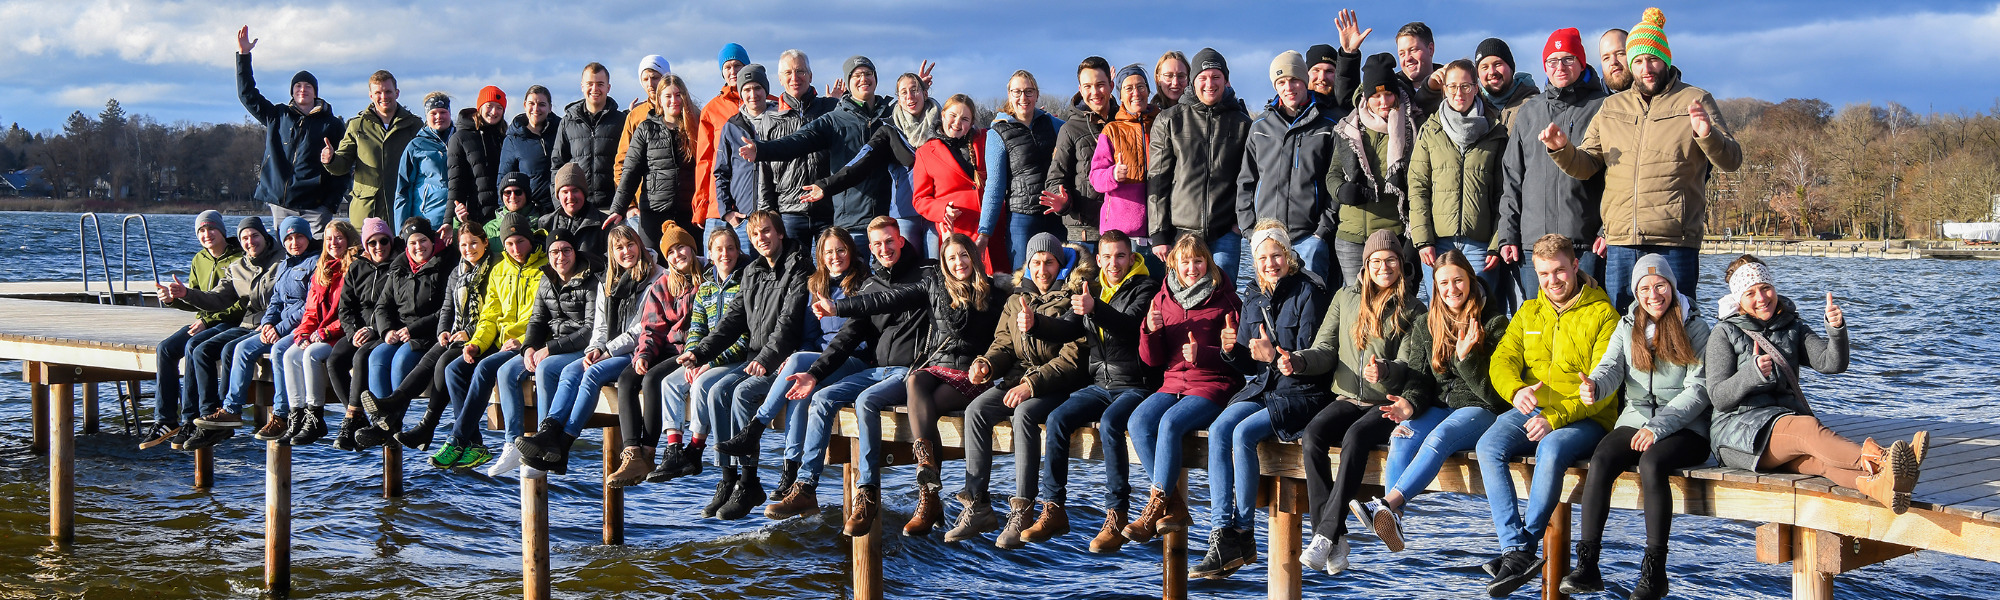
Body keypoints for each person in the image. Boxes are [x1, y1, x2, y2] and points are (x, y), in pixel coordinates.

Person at [1546, 8, 1743, 312]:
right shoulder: (1612, 106)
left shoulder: (1696, 99)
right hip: (1622, 240)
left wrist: (1707, 134)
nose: (1646, 68)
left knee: (1679, 324)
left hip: (1675, 239)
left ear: (1665, 58)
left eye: (1652, 59)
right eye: (1637, 61)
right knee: (1625, 324)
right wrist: (1562, 149)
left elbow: (1731, 160)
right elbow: (1586, 166)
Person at [1707, 255, 1924, 514]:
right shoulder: (1724, 333)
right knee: (1807, 428)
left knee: (1822, 465)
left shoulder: (1792, 326)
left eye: (1765, 288)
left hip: (1782, 424)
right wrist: (1751, 374)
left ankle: (1881, 487)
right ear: (1739, 300)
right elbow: (1718, 397)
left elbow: (1831, 363)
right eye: (1751, 293)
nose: (1761, 298)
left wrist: (1836, 329)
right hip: (1737, 436)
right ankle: (1884, 460)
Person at [1561, 254, 1713, 600]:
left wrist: (1659, 428)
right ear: (1636, 291)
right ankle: (1587, 566)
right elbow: (1610, 367)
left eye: (1660, 285)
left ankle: (1654, 573)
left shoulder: (1696, 328)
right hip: (1636, 418)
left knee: (1651, 463)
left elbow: (1699, 390)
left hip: (1687, 427)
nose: (1653, 294)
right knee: (1600, 460)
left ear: (1672, 288)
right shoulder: (1627, 325)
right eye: (1644, 287)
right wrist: (1595, 386)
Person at [1477, 234, 1620, 598]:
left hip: (1586, 417)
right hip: (1533, 409)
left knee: (1552, 449)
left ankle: (1524, 546)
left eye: (1559, 270)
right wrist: (1515, 390)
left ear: (1575, 266)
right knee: (1489, 444)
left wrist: (1555, 419)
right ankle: (1515, 548)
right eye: (1543, 273)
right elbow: (1502, 360)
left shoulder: (1603, 314)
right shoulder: (1528, 312)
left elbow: (1605, 389)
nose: (1552, 280)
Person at [1347, 249, 1510, 554]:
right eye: (1444, 283)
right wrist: (1408, 404)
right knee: (1401, 434)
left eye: (1458, 280)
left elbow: (1495, 395)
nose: (1452, 289)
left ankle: (1387, 504)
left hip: (1481, 409)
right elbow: (1420, 380)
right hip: (1439, 407)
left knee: (1441, 437)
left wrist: (1465, 359)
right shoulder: (1425, 323)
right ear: (1435, 287)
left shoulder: (1495, 323)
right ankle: (1393, 518)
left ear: (1471, 280)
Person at [1193, 221, 1331, 579]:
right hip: (1264, 387)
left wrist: (1275, 356)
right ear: (1254, 261)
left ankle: (1244, 531)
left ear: (1288, 255)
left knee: (1243, 435)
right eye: (1263, 257)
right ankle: (1221, 533)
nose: (1270, 263)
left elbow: (1314, 358)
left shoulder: (1308, 291)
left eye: (1276, 255)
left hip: (1301, 392)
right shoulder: (1252, 295)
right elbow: (1248, 360)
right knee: (1221, 428)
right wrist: (1229, 352)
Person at [1292, 230, 1425, 576]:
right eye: (1377, 261)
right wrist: (1300, 361)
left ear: (1401, 264)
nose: (1384, 267)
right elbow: (1324, 350)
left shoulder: (1413, 307)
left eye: (1391, 260)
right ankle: (1333, 537)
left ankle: (1324, 535)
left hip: (1387, 405)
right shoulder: (1345, 298)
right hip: (1348, 397)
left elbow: (1410, 367)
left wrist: (1385, 371)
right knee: (1313, 435)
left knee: (1355, 438)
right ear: (1365, 265)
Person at [795, 218, 936, 536]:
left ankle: (867, 493)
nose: (884, 249)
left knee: (866, 401)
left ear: (901, 240)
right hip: (879, 369)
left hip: (911, 372)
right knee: (822, 397)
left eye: (890, 241)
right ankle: (805, 487)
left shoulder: (928, 275)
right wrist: (815, 374)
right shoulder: (872, 285)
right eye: (877, 244)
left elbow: (889, 301)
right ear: (870, 248)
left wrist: (840, 306)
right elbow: (845, 338)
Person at [716, 227, 870, 516]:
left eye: (840, 250)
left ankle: (755, 429)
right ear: (821, 257)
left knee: (799, 365)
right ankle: (790, 472)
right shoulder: (817, 285)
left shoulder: (863, 284)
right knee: (798, 386)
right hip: (818, 364)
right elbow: (810, 336)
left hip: (853, 361)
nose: (835, 256)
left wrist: (807, 361)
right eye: (828, 252)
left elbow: (854, 338)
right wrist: (804, 360)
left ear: (850, 251)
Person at [949, 232, 1089, 548]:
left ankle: (1022, 508)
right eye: (1036, 263)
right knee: (977, 409)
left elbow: (1074, 358)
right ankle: (977, 503)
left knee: (1024, 414)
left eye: (1049, 262)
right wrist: (987, 363)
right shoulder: (1016, 299)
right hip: (1020, 378)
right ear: (1027, 265)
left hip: (1059, 383)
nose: (1042, 270)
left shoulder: (1074, 298)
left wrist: (1032, 385)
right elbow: (1003, 344)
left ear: (1060, 263)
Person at [672, 210, 813, 519]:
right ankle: (728, 479)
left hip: (782, 360)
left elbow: (788, 325)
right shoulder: (752, 272)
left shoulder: (799, 268)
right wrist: (700, 353)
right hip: (756, 358)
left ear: (779, 233)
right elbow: (732, 321)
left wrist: (765, 359)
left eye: (766, 232)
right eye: (755, 234)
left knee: (740, 393)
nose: (760, 238)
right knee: (716, 390)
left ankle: (749, 480)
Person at [1025, 229, 1159, 551]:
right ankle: (1053, 508)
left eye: (1121, 256)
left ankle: (1116, 515)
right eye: (1108, 257)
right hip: (1100, 385)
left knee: (1112, 423)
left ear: (1131, 257)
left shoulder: (1146, 288)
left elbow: (1129, 328)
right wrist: (1036, 325)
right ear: (1098, 259)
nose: (1114, 263)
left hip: (1135, 385)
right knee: (1057, 419)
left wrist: (1095, 307)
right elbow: (1070, 326)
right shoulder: (1094, 287)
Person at [868, 232, 1004, 536]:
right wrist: (839, 307)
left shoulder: (993, 294)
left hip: (975, 374)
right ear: (943, 263)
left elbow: (1002, 343)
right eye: (951, 258)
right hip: (940, 368)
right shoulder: (938, 288)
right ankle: (926, 475)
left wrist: (987, 365)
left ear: (974, 257)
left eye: (963, 255)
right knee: (915, 378)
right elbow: (887, 298)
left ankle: (929, 500)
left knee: (927, 405)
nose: (959, 263)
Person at [1121, 234, 1243, 545]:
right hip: (1173, 382)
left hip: (1213, 384)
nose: (1192, 268)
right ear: (1174, 264)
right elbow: (1153, 360)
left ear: (1208, 263)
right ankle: (1173, 505)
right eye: (1185, 261)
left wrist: (1205, 354)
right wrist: (1148, 330)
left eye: (1198, 261)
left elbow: (1239, 362)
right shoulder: (1163, 298)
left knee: (1171, 423)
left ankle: (1154, 508)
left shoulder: (1226, 300)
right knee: (1138, 423)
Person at [517, 226, 663, 473]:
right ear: (612, 252)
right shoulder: (609, 280)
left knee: (592, 374)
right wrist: (594, 349)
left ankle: (563, 444)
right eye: (619, 248)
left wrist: (607, 350)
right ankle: (549, 433)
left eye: (630, 245)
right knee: (572, 371)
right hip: (609, 348)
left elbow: (642, 328)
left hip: (637, 351)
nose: (626, 251)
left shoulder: (655, 278)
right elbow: (601, 325)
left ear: (639, 245)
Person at [1495, 28, 1610, 302]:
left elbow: (1616, 177)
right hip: (1532, 245)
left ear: (1582, 62)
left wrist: (1606, 231)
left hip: (1584, 244)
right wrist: (1507, 235)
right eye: (1552, 61)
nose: (1560, 67)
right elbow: (1512, 178)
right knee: (1538, 327)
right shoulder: (1529, 111)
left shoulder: (1604, 107)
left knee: (1585, 324)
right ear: (1544, 66)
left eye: (1568, 59)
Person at [738, 55, 897, 247]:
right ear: (848, 81)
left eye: (868, 73)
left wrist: (917, 92)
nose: (863, 79)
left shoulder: (891, 115)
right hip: (850, 223)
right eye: (856, 75)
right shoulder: (834, 119)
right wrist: (761, 149)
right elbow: (797, 141)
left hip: (888, 220)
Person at [433, 213, 547, 469]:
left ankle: (457, 438)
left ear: (530, 239)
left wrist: (524, 340)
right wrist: (476, 344)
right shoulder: (499, 270)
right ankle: (475, 443)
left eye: (520, 241)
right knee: (454, 369)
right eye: (509, 243)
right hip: (502, 341)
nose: (515, 249)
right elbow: (490, 316)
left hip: (528, 342)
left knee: (485, 368)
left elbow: (542, 317)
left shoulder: (543, 269)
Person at [484, 229, 600, 475]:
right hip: (553, 346)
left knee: (547, 367)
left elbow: (590, 329)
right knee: (506, 370)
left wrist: (550, 348)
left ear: (574, 251)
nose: (561, 257)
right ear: (548, 255)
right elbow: (537, 321)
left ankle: (542, 444)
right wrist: (529, 348)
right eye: (554, 251)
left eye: (566, 250)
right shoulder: (546, 278)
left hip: (581, 347)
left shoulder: (590, 280)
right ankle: (512, 444)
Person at [801, 71, 943, 257]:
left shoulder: (943, 127)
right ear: (898, 99)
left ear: (925, 93)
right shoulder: (890, 130)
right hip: (906, 213)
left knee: (939, 269)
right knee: (910, 273)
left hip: (938, 211)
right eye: (904, 92)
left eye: (915, 90)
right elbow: (861, 162)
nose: (910, 97)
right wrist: (826, 186)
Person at [645, 226, 747, 483]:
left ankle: (696, 449)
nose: (725, 254)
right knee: (669, 382)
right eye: (719, 250)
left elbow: (745, 337)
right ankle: (673, 449)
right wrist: (692, 356)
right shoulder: (706, 287)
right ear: (710, 255)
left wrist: (708, 361)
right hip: (705, 355)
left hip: (734, 358)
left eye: (730, 248)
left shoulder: (746, 283)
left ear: (738, 250)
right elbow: (697, 328)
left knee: (701, 383)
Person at [607, 222, 704, 487]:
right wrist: (643, 355)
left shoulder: (705, 279)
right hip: (663, 348)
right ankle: (632, 453)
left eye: (681, 247)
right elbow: (651, 328)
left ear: (692, 249)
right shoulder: (662, 285)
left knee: (652, 380)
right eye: (670, 252)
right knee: (627, 379)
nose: (677, 255)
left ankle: (649, 451)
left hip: (688, 349)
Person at [141, 211, 245, 450]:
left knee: (192, 347)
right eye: (201, 231)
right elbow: (196, 298)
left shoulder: (239, 259)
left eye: (211, 229)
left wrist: (208, 322)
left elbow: (242, 303)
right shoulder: (200, 259)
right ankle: (165, 420)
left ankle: (190, 417)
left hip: (230, 322)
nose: (206, 235)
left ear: (222, 231)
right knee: (165, 349)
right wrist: (172, 298)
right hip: (203, 321)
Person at [388, 225, 498, 450]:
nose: (469, 249)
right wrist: (442, 332)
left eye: (474, 243)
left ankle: (431, 427)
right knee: (430, 358)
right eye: (464, 245)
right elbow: (448, 308)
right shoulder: (457, 271)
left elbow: (494, 311)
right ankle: (394, 402)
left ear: (485, 242)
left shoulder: (494, 268)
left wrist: (470, 333)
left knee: (444, 365)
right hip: (457, 332)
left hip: (483, 337)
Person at [1146, 48, 1251, 278]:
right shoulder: (1170, 120)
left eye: (1216, 77)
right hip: (1181, 234)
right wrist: (1159, 235)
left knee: (1224, 302)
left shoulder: (1242, 123)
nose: (1209, 84)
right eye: (1202, 78)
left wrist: (1239, 223)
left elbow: (1249, 178)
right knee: (1184, 304)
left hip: (1225, 234)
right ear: (1193, 82)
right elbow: (1158, 180)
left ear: (1226, 80)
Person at [1409, 59, 1508, 300]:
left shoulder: (1495, 133)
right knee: (1441, 315)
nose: (1459, 93)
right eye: (1452, 86)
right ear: (1444, 90)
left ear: (1476, 88)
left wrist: (1497, 242)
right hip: (1438, 244)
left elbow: (1503, 193)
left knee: (1479, 311)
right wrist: (1423, 241)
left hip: (1480, 245)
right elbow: (1418, 187)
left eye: (1465, 86)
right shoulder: (1431, 130)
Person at [1237, 50, 1339, 284]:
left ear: (1305, 80)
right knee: (1268, 308)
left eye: (1294, 80)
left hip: (1309, 238)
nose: (1288, 87)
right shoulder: (1261, 126)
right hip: (1266, 239)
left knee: (1310, 309)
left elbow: (1335, 180)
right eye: (1281, 82)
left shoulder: (1327, 125)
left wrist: (1322, 231)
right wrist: (1250, 230)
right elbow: (1246, 181)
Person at [179, 217, 281, 449]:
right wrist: (186, 293)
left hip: (272, 325)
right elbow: (216, 298)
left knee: (229, 350)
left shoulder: (281, 261)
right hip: (247, 325)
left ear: (264, 236)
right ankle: (210, 415)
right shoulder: (239, 267)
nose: (250, 241)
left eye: (254, 235)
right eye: (244, 238)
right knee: (201, 350)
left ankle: (228, 412)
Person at [352, 217, 453, 449]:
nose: (419, 247)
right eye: (412, 243)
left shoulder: (447, 262)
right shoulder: (399, 265)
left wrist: (412, 329)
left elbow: (446, 310)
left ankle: (392, 421)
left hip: (429, 335)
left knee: (400, 360)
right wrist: (387, 330)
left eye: (423, 241)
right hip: (400, 332)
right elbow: (382, 306)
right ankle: (381, 424)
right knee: (377, 356)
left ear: (432, 239)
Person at [234, 26, 345, 233]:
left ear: (315, 92)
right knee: (287, 258)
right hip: (281, 205)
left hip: (316, 208)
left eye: (308, 86)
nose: (303, 90)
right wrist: (244, 55)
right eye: (298, 86)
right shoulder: (277, 115)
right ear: (292, 92)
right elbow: (247, 95)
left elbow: (343, 169)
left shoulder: (332, 124)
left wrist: (330, 204)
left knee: (318, 261)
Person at [1328, 54, 1417, 287]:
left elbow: (1420, 186)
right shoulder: (1349, 128)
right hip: (1351, 236)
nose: (1383, 101)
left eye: (1388, 94)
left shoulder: (1413, 129)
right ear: (1367, 98)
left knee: (1393, 306)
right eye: (1376, 95)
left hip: (1392, 236)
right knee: (1355, 305)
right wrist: (1341, 190)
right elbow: (1333, 173)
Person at [716, 62, 827, 244]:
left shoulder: (783, 118)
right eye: (747, 89)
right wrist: (727, 211)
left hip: (781, 212)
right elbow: (721, 172)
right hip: (744, 217)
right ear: (741, 93)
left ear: (766, 89)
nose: (753, 95)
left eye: (758, 88)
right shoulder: (732, 127)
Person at [231, 217, 320, 442]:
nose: (294, 242)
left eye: (299, 236)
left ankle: (281, 415)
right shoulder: (283, 265)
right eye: (289, 238)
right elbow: (276, 300)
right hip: (278, 325)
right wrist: (268, 322)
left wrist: (279, 328)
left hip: (303, 327)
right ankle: (232, 409)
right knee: (242, 348)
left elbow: (308, 305)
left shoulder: (315, 263)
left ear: (308, 237)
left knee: (280, 350)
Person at [276, 220, 362, 447]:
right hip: (319, 332)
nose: (334, 243)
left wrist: (325, 332)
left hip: (340, 334)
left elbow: (353, 312)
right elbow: (311, 311)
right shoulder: (322, 268)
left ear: (349, 239)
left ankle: (315, 416)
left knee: (311, 354)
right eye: (329, 239)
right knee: (290, 355)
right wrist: (302, 334)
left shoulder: (355, 266)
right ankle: (297, 416)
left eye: (339, 238)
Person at [976, 70, 1065, 275]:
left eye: (1028, 91)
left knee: (1061, 275)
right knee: (1023, 276)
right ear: (1009, 95)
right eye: (1017, 92)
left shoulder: (1052, 124)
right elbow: (995, 186)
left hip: (1055, 215)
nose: (1023, 98)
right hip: (1022, 218)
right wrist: (985, 231)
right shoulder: (998, 133)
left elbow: (1077, 131)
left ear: (1036, 94)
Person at [325, 218, 401, 451]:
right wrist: (353, 331)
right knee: (335, 360)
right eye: (373, 243)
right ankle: (356, 417)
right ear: (365, 245)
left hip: (385, 329)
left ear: (390, 240)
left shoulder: (399, 266)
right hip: (358, 329)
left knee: (361, 358)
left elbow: (398, 307)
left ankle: (351, 421)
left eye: (383, 241)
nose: (379, 247)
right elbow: (345, 307)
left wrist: (374, 329)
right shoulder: (358, 267)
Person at [912, 95, 1002, 270]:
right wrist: (942, 209)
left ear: (972, 122)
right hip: (957, 232)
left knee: (999, 286)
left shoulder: (986, 140)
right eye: (953, 115)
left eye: (965, 118)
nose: (957, 122)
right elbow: (920, 200)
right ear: (943, 115)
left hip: (993, 228)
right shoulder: (925, 152)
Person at [611, 73, 701, 248]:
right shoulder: (646, 128)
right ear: (659, 99)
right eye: (668, 96)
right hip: (654, 213)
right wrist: (618, 208)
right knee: (654, 267)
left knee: (689, 265)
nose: (673, 100)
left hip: (689, 212)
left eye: (678, 95)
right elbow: (631, 171)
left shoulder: (696, 127)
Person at [323, 70, 421, 225]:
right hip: (366, 210)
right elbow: (342, 165)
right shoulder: (357, 125)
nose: (383, 97)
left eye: (388, 91)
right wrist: (331, 159)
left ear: (397, 93)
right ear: (371, 95)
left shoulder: (414, 125)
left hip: (404, 208)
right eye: (378, 92)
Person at [1041, 57, 1116, 246]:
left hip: (1121, 231)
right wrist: (1063, 202)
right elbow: (1056, 178)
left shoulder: (1124, 122)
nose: (1094, 92)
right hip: (1085, 233)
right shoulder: (1070, 129)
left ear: (1111, 85)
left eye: (1100, 85)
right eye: (1088, 86)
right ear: (1080, 89)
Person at [1088, 64, 1158, 253]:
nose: (1136, 92)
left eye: (1141, 86)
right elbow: (1095, 177)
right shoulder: (1112, 130)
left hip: (1159, 233)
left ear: (1148, 91)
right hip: (1121, 235)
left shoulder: (1161, 124)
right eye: (1128, 88)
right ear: (1120, 96)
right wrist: (1113, 174)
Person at [694, 44, 751, 253]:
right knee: (713, 268)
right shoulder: (711, 109)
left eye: (738, 65)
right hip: (717, 206)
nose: (733, 71)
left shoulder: (767, 102)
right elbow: (704, 161)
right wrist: (701, 205)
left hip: (751, 203)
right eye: (727, 67)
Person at [551, 62, 627, 213]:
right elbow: (557, 166)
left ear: (608, 87)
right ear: (582, 86)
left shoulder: (622, 121)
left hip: (612, 208)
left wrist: (623, 205)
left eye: (600, 84)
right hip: (577, 208)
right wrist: (560, 205)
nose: (594, 89)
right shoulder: (568, 122)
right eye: (590, 84)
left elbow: (629, 166)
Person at [447, 86, 509, 228]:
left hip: (502, 215)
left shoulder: (505, 137)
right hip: (474, 216)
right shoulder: (460, 138)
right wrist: (449, 221)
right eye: (489, 106)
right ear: (480, 107)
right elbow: (456, 183)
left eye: (499, 107)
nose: (494, 112)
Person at [394, 92, 454, 230]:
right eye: (433, 113)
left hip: (456, 218)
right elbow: (403, 190)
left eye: (443, 112)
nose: (439, 116)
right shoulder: (416, 146)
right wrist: (401, 231)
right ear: (427, 117)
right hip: (427, 220)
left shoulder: (461, 140)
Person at [498, 85, 563, 213]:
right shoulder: (513, 139)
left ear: (550, 108)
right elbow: (503, 180)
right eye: (531, 103)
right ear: (524, 105)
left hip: (561, 208)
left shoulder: (562, 131)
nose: (536, 109)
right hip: (530, 212)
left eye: (542, 104)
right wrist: (505, 213)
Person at [614, 55, 672, 190]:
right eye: (645, 79)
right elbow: (622, 163)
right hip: (642, 201)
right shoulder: (635, 116)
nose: (650, 84)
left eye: (655, 78)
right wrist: (629, 205)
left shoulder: (684, 111)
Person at [541, 164, 610, 264]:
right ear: (558, 195)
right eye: (565, 192)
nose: (570, 197)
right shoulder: (546, 223)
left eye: (575, 190)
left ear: (584, 193)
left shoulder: (605, 224)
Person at [1475, 39, 1540, 130]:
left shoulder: (1534, 107)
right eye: (1484, 67)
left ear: (1511, 67)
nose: (1492, 72)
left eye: (1497, 64)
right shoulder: (1475, 109)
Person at [1390, 21, 1444, 122]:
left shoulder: (1452, 86)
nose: (1407, 58)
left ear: (1431, 49)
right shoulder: (1392, 90)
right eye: (1402, 54)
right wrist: (1351, 55)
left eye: (1413, 50)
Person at [485, 173, 541, 240]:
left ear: (527, 195)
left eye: (518, 192)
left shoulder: (543, 223)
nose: (513, 197)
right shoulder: (489, 228)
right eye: (507, 193)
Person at [1598, 29, 1632, 94]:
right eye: (1606, 58)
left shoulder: (1654, 98)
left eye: (1620, 54)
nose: (1613, 62)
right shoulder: (1599, 103)